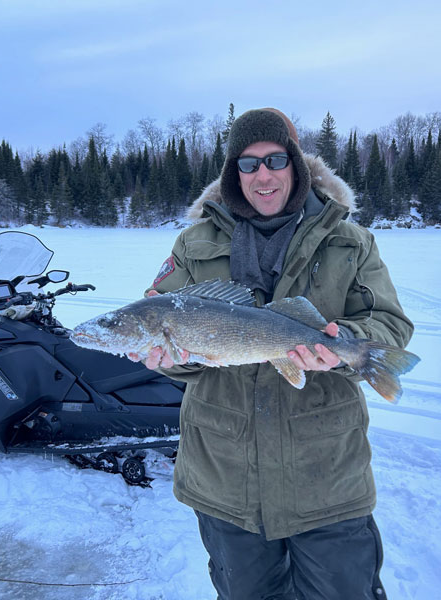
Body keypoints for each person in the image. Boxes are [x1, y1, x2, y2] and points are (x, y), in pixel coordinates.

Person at [140, 108, 414, 599]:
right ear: (233, 173)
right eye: (247, 164)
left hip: (326, 476)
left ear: (297, 166)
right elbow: (165, 324)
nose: (262, 176)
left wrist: (343, 341)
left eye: (274, 160)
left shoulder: (349, 241)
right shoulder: (193, 243)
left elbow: (391, 326)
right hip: (225, 477)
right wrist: (170, 357)